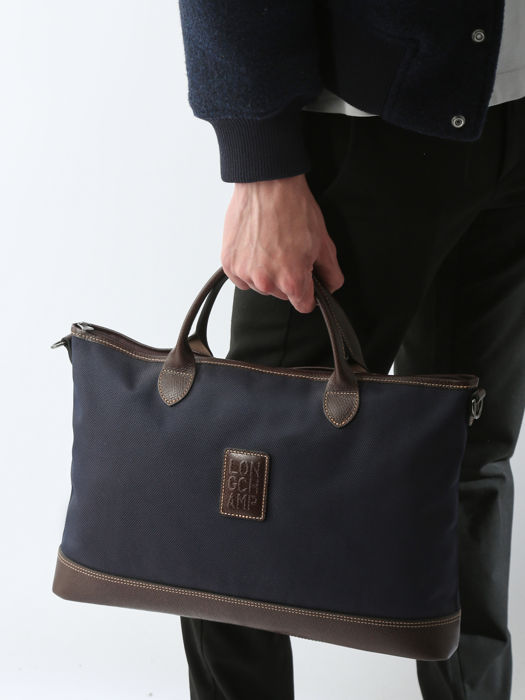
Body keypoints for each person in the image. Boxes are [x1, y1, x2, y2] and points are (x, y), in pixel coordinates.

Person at [176, 1, 525, 698]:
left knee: (468, 459)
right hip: (357, 133)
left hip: (512, 112)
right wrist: (260, 158)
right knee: (251, 481)